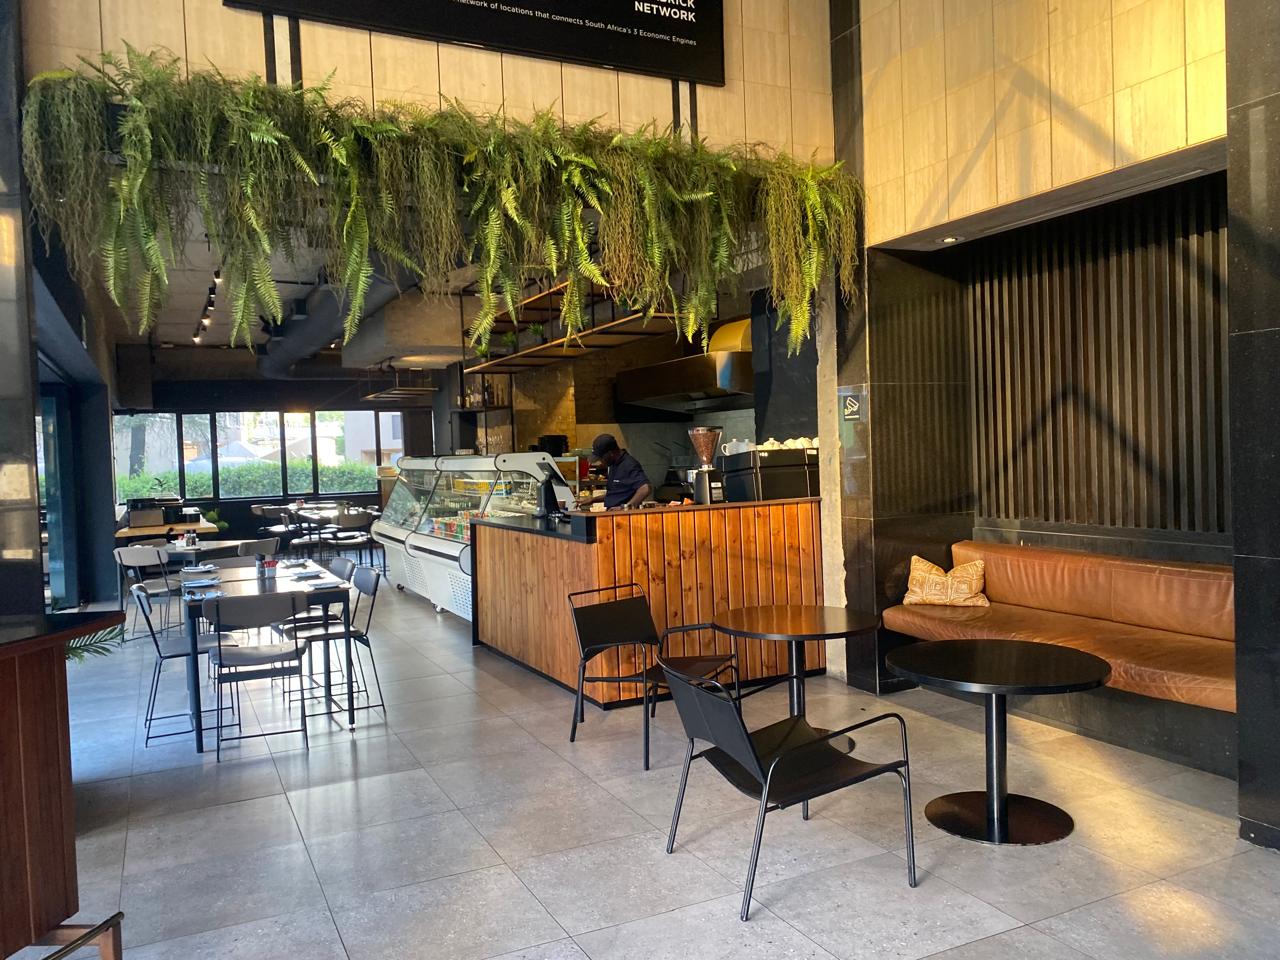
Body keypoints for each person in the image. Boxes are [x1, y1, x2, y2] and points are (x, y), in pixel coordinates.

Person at [582, 433, 652, 510]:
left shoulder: (629, 464)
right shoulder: (613, 465)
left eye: (601, 458)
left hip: (623, 516)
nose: (600, 462)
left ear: (610, 453)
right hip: (611, 514)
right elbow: (616, 495)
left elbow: (645, 488)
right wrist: (593, 500)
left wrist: (625, 508)